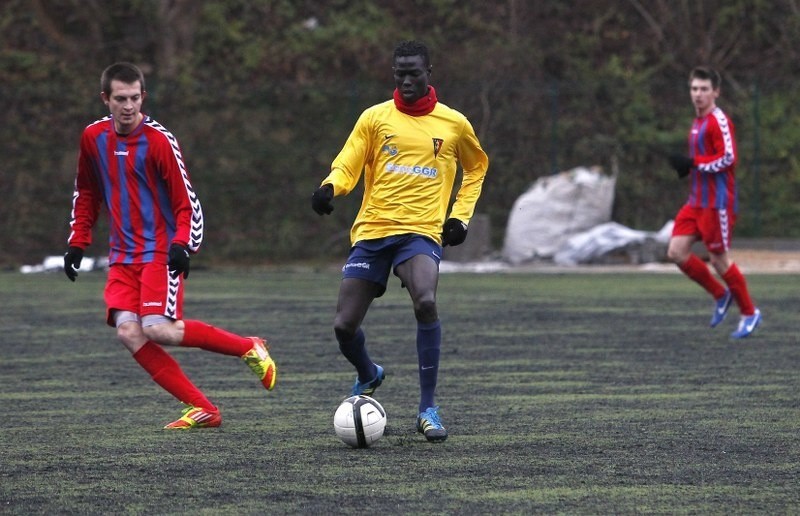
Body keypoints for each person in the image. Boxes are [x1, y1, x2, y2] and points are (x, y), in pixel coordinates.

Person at [64, 62, 277, 429]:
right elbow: (87, 192)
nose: (128, 106)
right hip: (122, 256)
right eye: (120, 99)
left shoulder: (160, 140)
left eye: (134, 98)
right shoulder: (93, 138)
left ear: (143, 97)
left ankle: (247, 347)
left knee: (159, 328)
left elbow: (186, 202)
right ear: (106, 99)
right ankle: (203, 408)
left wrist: (182, 245)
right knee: (129, 333)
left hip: (160, 251)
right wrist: (78, 242)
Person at [311, 40, 488, 442]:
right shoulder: (374, 118)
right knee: (343, 326)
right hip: (373, 231)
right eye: (400, 74)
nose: (406, 81)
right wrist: (330, 187)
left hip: (421, 231)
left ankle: (428, 408)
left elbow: (476, 169)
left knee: (426, 300)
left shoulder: (454, 123)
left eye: (414, 73)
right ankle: (368, 373)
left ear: (430, 72)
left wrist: (459, 217)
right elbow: (349, 161)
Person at [666, 66, 761, 339]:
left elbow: (729, 159)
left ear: (716, 92)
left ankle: (750, 313)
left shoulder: (719, 121)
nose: (698, 94)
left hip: (716, 204)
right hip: (695, 202)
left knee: (719, 260)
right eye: (694, 89)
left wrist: (693, 163)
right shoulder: (697, 122)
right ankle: (721, 294)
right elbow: (704, 162)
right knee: (676, 252)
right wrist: (688, 168)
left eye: (704, 89)